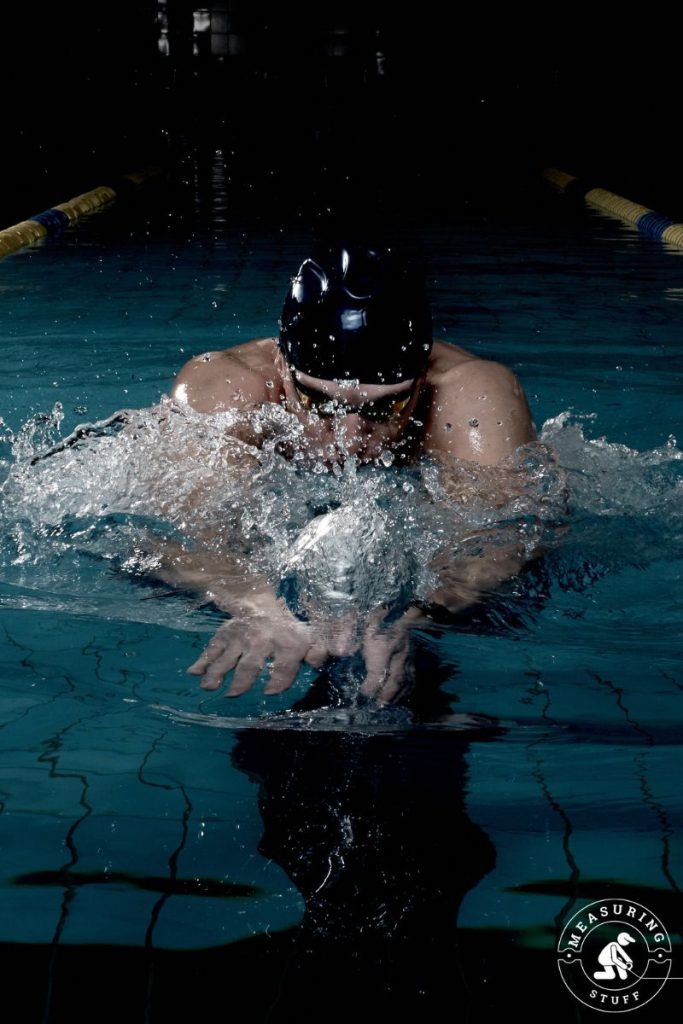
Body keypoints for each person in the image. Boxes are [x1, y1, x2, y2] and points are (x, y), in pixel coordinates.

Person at [161, 242, 538, 701]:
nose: (350, 436)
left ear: (423, 379)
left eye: (386, 406)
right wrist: (255, 600)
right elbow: (167, 534)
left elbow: (505, 540)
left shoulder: (472, 398)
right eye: (321, 402)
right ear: (281, 365)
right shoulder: (226, 390)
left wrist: (417, 616)